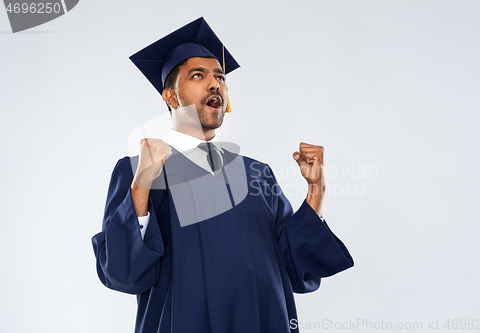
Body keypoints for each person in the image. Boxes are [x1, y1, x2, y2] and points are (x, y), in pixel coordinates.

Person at [92, 17, 354, 333]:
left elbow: (296, 266)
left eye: (220, 76)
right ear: (171, 97)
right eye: (198, 75)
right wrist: (142, 186)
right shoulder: (138, 171)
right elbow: (123, 273)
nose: (215, 83)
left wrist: (316, 190)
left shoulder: (257, 174)